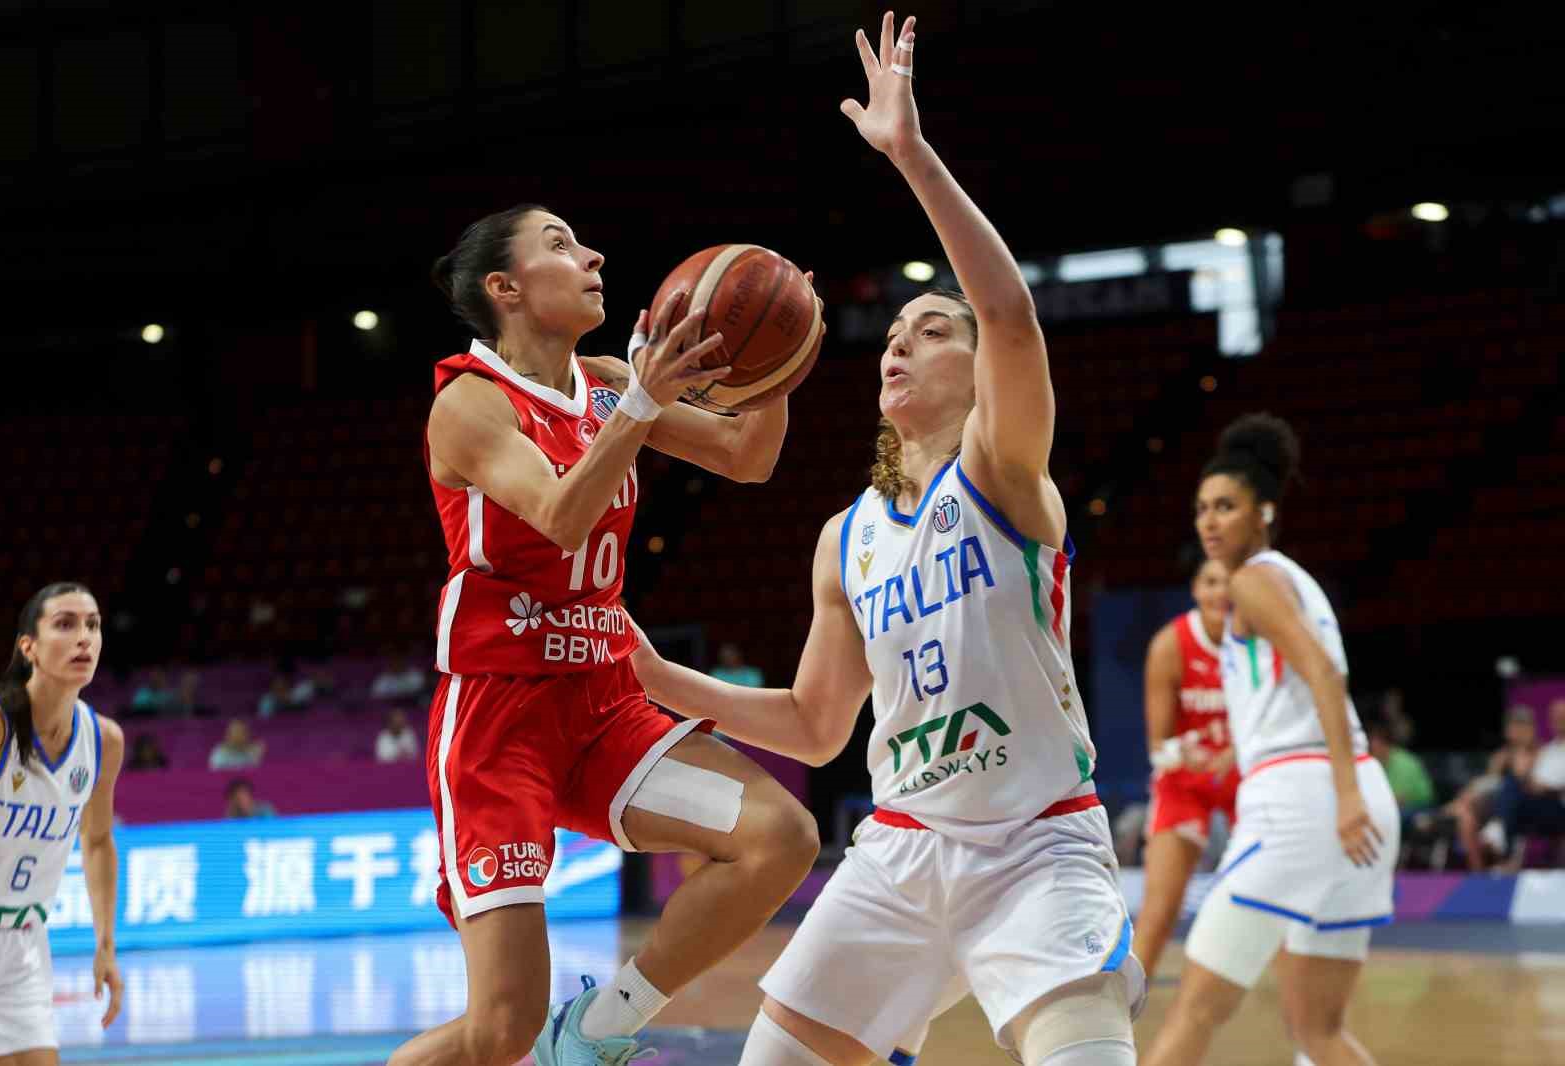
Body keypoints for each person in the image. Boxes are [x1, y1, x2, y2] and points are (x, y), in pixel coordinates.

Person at [630, 15, 1143, 1064]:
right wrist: (653, 672)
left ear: (971, 369)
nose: (902, 343)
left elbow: (1008, 313)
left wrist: (909, 155)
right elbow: (817, 727)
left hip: (1037, 846)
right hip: (899, 854)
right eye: (895, 334)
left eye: (931, 330)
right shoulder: (844, 538)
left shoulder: (1002, 474)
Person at [388, 197, 824, 1066]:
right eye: (561, 244)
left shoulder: (610, 383)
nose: (592, 256)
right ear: (505, 287)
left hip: (602, 705)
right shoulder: (469, 405)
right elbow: (556, 513)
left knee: (781, 838)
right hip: (497, 723)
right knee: (502, 1029)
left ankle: (599, 1027)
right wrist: (640, 405)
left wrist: (775, 363)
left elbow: (748, 457)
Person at [1142, 415, 1401, 1066]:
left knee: (1197, 1008)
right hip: (1359, 801)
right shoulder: (1295, 578)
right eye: (1201, 509)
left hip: (1304, 803)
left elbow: (1322, 671)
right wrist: (1351, 793)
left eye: (1225, 507)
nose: (1209, 522)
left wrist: (1341, 794)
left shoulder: (1255, 578)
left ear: (1264, 512)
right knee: (1317, 1031)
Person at [0, 582, 126, 1062]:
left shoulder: (103, 740)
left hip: (20, 945)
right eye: (66, 624)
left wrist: (105, 945)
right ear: (28, 647)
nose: (85, 638)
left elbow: (97, 841)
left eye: (93, 625)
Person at [1133, 555, 1236, 979]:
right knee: (1160, 912)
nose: (1220, 592)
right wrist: (1186, 754)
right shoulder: (1170, 645)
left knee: (1277, 902)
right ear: (1195, 589)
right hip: (1185, 782)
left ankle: (1307, 1021)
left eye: (1228, 582)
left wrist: (1240, 751)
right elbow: (1159, 748)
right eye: (1210, 581)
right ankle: (1121, 1009)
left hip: (1242, 779)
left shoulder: (1258, 639)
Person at [1446, 705, 1538, 871]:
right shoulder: (1501, 755)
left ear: (1529, 728)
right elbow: (1490, 780)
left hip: (1522, 804)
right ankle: (1478, 872)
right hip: (1491, 804)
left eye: (1519, 726)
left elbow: (1521, 776)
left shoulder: (1538, 751)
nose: (1514, 730)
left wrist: (1520, 749)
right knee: (1466, 818)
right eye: (1512, 725)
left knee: (1503, 790)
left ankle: (1497, 832)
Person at [1487, 699, 1565, 871]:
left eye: (1561, 716)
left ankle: (1499, 831)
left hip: (1558, 804)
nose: (1556, 720)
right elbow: (1526, 776)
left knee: (1511, 788)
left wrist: (1545, 787)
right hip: (1535, 800)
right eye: (1554, 716)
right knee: (1511, 784)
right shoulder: (1549, 749)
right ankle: (1499, 833)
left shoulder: (1540, 749)